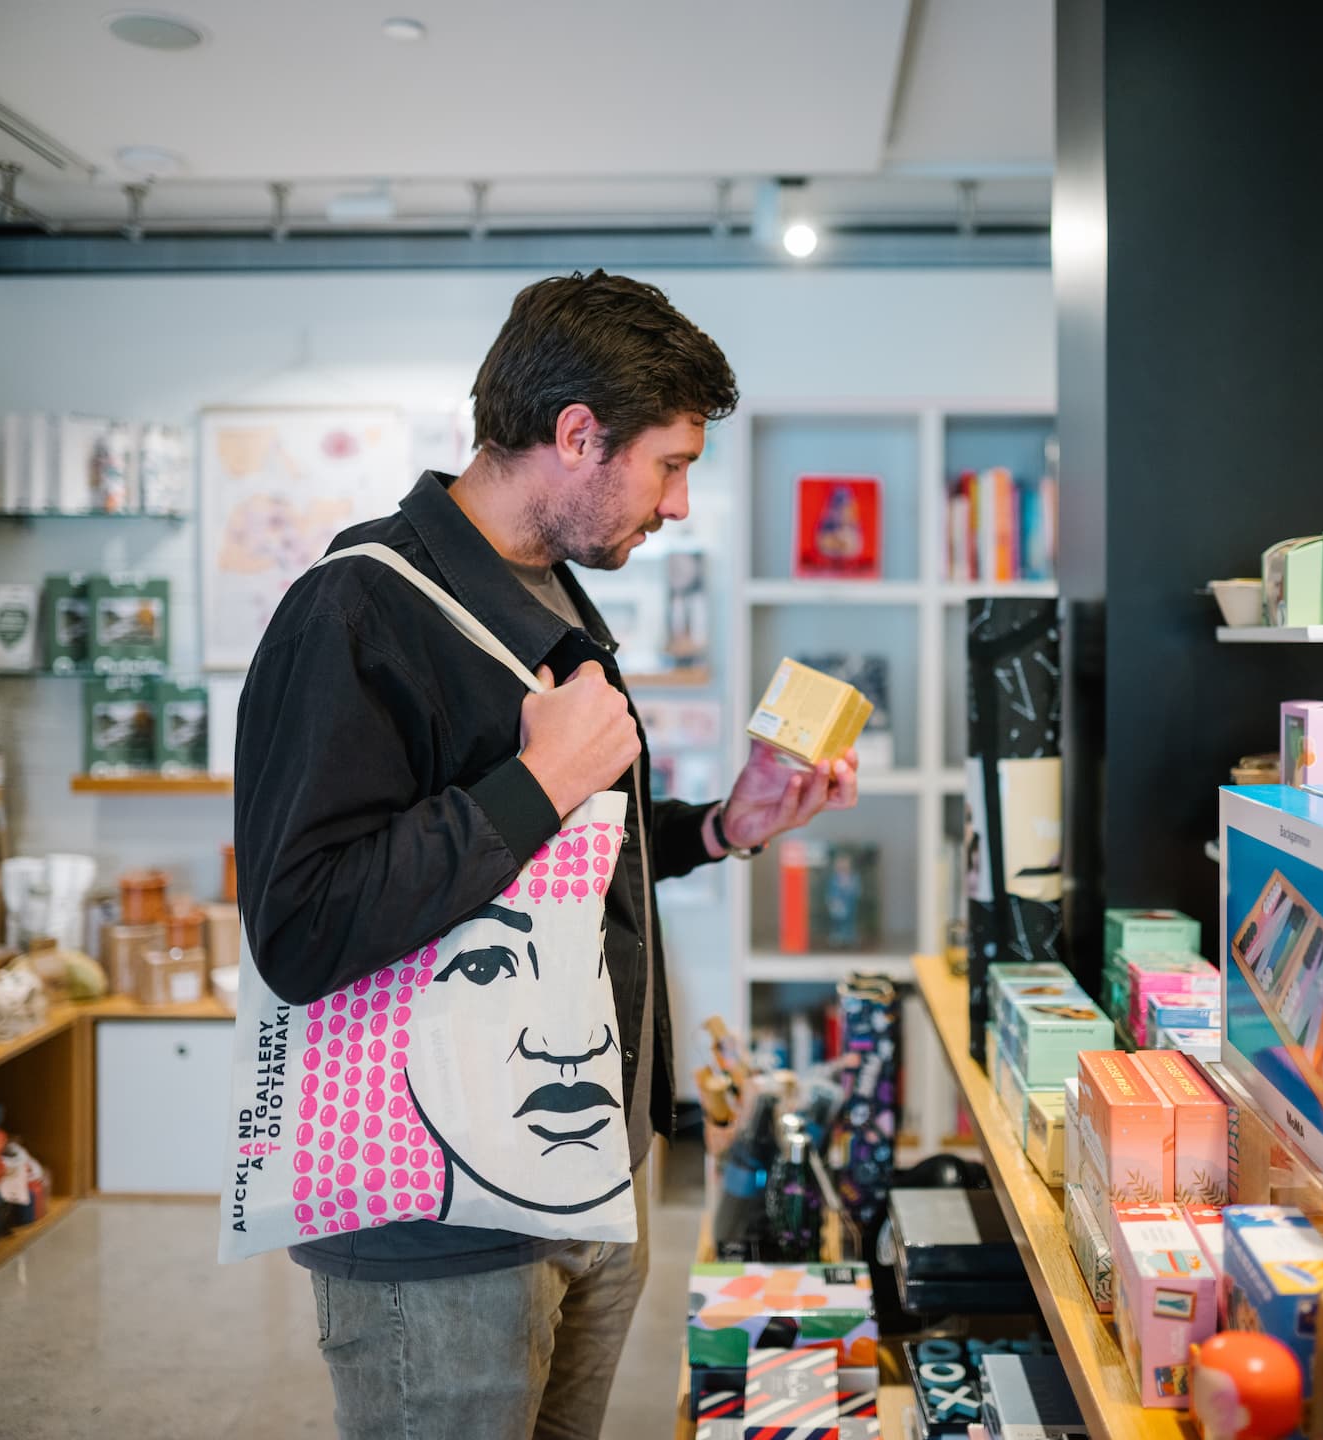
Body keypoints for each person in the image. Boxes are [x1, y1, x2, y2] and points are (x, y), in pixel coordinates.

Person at [233, 270, 859, 1439]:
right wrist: (536, 783)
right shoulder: (355, 613)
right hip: (441, 1227)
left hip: (590, 1179)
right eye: (670, 464)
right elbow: (302, 925)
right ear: (578, 436)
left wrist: (727, 826)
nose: (677, 504)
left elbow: (569, 872)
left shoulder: (552, 596)